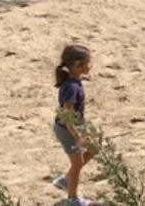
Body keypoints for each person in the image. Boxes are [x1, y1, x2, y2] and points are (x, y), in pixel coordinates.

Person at [52, 45, 97, 206]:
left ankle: (66, 179)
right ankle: (72, 199)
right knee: (77, 163)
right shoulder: (71, 87)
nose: (91, 65)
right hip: (67, 129)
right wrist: (78, 137)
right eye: (88, 62)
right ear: (78, 65)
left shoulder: (74, 81)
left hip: (76, 126)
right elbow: (67, 117)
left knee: (94, 148)